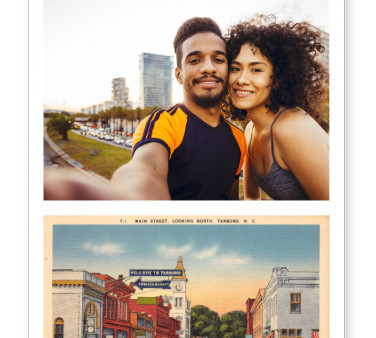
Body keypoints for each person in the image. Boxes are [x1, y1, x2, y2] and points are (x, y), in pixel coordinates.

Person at [44, 17, 246, 200]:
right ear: (178, 74)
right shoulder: (163, 123)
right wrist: (129, 201)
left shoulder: (238, 137)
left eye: (218, 59)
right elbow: (145, 168)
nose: (208, 67)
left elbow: (230, 197)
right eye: (194, 60)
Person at [223, 19, 329, 200]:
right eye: (235, 68)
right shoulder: (250, 131)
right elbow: (251, 200)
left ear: (278, 78)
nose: (241, 79)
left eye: (256, 70)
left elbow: (334, 213)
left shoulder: (295, 128)